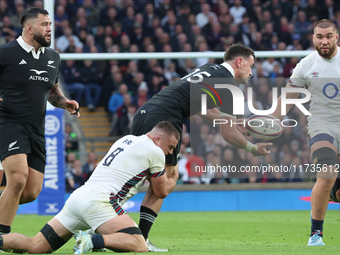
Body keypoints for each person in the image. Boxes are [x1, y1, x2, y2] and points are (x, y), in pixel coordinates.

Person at [131, 43, 272, 251]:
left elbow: (204, 110)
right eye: (251, 66)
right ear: (239, 62)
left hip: (144, 113)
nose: (252, 72)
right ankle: (140, 240)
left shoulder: (208, 68)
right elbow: (228, 134)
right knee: (165, 181)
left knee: (133, 176)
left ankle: (93, 220)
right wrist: (252, 149)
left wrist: (233, 120)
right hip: (165, 120)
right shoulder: (230, 85)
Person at [0, 121, 179, 254]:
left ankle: (1, 241)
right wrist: (173, 178)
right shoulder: (155, 152)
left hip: (78, 198)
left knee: (36, 245)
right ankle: (91, 240)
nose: (170, 152)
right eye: (170, 147)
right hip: (100, 200)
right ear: (157, 138)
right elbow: (160, 191)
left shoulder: (127, 139)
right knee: (139, 244)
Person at [0, 7, 80, 235]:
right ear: (29, 28)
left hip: (36, 130)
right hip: (8, 123)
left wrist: (65, 102)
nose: (49, 29)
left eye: (50, 25)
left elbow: (51, 91)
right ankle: (2, 237)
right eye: (45, 24)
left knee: (31, 191)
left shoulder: (53, 58)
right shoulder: (5, 53)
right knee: (17, 178)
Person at [272, 19, 340, 246]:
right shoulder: (306, 64)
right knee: (327, 174)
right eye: (320, 36)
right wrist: (271, 123)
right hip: (321, 123)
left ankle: (330, 193)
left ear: (336, 37)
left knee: (337, 192)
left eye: (329, 36)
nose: (324, 40)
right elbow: (287, 99)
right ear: (313, 38)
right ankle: (316, 234)